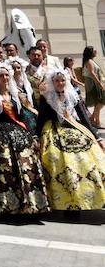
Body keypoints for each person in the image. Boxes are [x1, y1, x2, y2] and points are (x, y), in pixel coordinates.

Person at [0, 62, 50, 215]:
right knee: (6, 167)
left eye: (6, 75)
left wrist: (33, 133)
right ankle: (9, 207)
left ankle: (31, 205)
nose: (4, 78)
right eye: (1, 76)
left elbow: (22, 116)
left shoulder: (15, 93)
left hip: (18, 133)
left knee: (28, 165)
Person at [36, 68, 105, 211]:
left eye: (63, 80)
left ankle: (93, 196)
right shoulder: (46, 97)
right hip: (54, 129)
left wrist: (96, 136)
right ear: (52, 82)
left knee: (91, 157)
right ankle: (65, 201)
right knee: (55, 157)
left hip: (74, 127)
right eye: (57, 81)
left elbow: (84, 118)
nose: (60, 83)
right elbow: (41, 119)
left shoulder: (73, 96)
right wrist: (36, 137)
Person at [83, 46, 104, 128]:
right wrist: (99, 83)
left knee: (99, 103)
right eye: (94, 50)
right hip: (93, 85)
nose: (96, 51)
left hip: (95, 84)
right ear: (90, 52)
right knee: (100, 102)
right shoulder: (89, 61)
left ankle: (93, 119)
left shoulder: (90, 61)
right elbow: (92, 73)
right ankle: (96, 122)